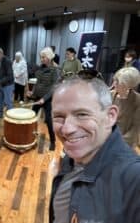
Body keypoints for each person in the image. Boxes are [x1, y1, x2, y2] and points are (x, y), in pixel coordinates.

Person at [49, 75, 140, 223]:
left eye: (82, 114)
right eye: (59, 116)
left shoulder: (134, 179)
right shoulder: (73, 156)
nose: (66, 129)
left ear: (110, 116)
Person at [27, 47, 58, 150]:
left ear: (49, 57)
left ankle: (53, 141)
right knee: (31, 117)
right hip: (37, 97)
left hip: (47, 99)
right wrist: (32, 92)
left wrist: (44, 99)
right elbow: (38, 83)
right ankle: (30, 135)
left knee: (49, 121)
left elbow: (54, 87)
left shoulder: (55, 70)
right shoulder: (40, 68)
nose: (41, 59)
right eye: (41, 57)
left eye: (43, 57)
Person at [112, 67, 140, 149]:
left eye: (118, 82)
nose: (114, 84)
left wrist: (117, 143)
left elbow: (135, 128)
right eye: (114, 80)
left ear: (128, 85)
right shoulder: (109, 95)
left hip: (123, 143)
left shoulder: (137, 100)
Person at [0, 48, 14, 118]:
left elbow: (9, 76)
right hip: (1, 84)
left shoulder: (7, 61)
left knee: (8, 102)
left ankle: (11, 117)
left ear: (0, 54)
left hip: (8, 85)